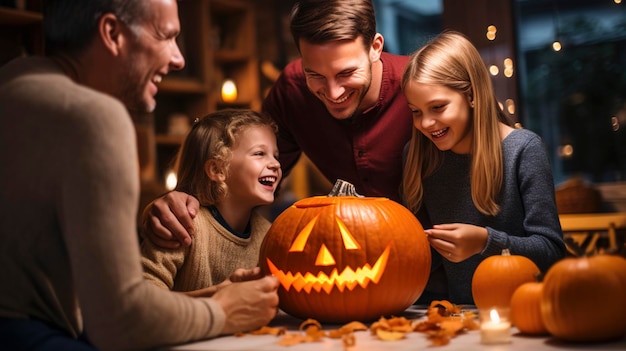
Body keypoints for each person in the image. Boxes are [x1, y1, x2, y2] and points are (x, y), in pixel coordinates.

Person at [0, 1, 278, 350]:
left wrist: (216, 294)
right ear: (112, 34)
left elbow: (96, 300)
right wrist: (224, 312)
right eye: (165, 36)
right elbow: (119, 321)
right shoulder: (94, 117)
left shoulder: (14, 80)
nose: (179, 59)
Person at [142, 0, 414, 249]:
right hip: (356, 255)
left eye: (346, 73)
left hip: (432, 259)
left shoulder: (422, 84)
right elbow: (243, 171)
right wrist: (184, 200)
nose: (332, 93)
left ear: (375, 47)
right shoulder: (292, 91)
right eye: (315, 74)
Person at [400, 31, 566, 304]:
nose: (426, 123)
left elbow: (551, 253)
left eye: (438, 107)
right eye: (416, 111)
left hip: (525, 312)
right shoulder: (417, 156)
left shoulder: (524, 149)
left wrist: (485, 242)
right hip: (459, 316)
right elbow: (419, 258)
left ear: (472, 95)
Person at [141, 109, 282, 296]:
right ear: (217, 170)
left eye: (275, 155)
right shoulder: (183, 224)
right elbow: (143, 300)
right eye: (259, 153)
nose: (275, 164)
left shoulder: (268, 234)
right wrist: (217, 298)